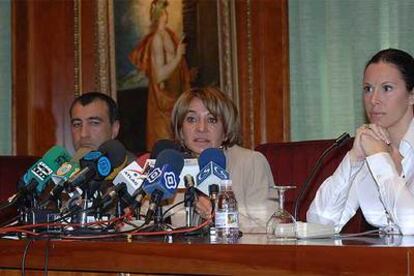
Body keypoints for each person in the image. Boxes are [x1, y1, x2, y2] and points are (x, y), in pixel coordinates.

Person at [307, 48, 414, 235]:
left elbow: (411, 224)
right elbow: (319, 222)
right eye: (368, 89)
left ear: (411, 96)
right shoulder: (369, 149)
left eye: (386, 88)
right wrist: (354, 159)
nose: (373, 100)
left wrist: (380, 158)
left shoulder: (376, 154)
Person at [170, 87, 275, 233]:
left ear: (226, 131)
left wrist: (217, 213)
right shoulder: (172, 166)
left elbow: (268, 227)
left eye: (211, 120)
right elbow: (139, 222)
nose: (201, 128)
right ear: (181, 130)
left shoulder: (250, 162)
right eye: (191, 119)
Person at [129, 0, 190, 151]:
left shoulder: (169, 34)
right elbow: (159, 76)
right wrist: (178, 56)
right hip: (163, 100)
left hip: (175, 97)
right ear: (159, 14)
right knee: (166, 147)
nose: (166, 14)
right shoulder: (157, 39)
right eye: (163, 11)